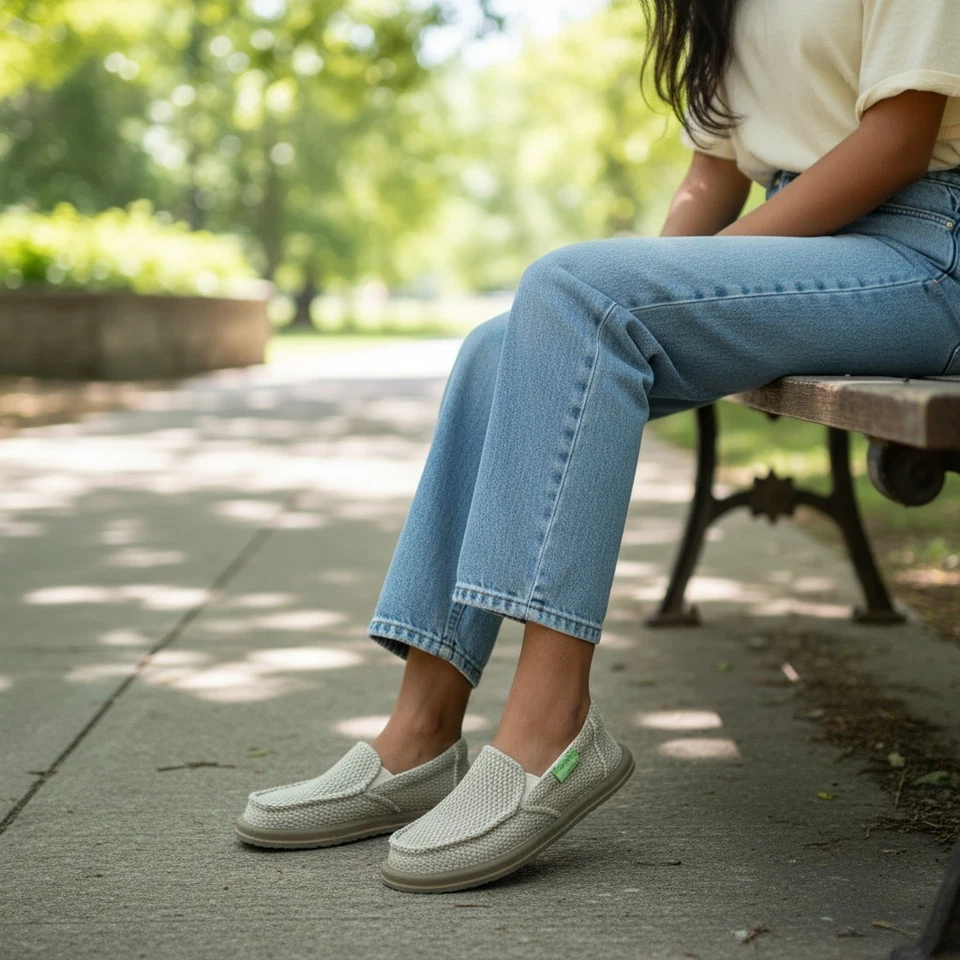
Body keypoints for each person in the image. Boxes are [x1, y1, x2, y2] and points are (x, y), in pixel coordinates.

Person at [235, 0, 960, 894]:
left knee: (576, 292)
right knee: (505, 343)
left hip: (925, 249)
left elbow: (898, 140)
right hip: (807, 243)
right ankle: (420, 734)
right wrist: (656, 295)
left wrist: (654, 290)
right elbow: (712, 171)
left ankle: (550, 730)